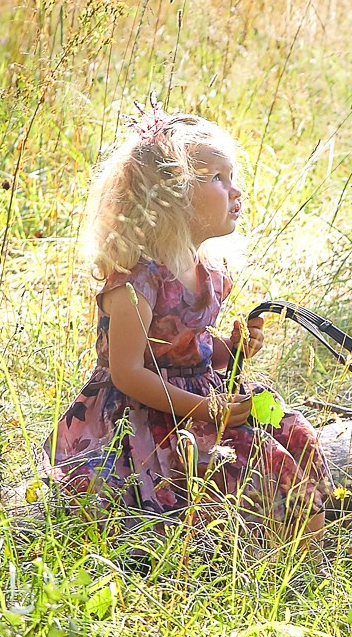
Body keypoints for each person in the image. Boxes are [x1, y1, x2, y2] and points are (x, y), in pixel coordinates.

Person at [49, 107, 328, 536]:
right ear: (170, 196)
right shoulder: (138, 280)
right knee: (243, 460)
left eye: (233, 177)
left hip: (197, 399)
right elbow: (127, 372)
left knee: (292, 434)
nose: (236, 191)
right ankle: (245, 551)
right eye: (218, 178)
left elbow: (187, 352)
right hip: (142, 417)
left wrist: (230, 350)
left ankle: (296, 555)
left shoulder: (207, 270)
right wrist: (206, 410)